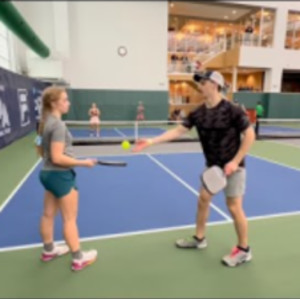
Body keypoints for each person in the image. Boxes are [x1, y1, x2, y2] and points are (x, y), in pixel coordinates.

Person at [133, 70, 255, 267]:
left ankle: (243, 250)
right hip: (212, 167)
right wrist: (151, 141)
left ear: (214, 84)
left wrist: (235, 161)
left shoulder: (232, 110)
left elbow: (249, 135)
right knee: (203, 200)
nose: (199, 86)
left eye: (203, 82)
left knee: (234, 207)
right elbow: (178, 130)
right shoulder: (198, 113)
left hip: (234, 168)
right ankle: (199, 239)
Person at [35, 86, 98, 272]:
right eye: (65, 100)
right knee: (69, 219)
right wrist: (83, 163)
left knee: (48, 214)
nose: (68, 103)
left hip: (47, 174)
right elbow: (57, 157)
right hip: (60, 176)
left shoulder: (45, 122)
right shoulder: (58, 125)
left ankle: (49, 251)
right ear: (54, 103)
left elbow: (40, 147)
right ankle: (78, 258)